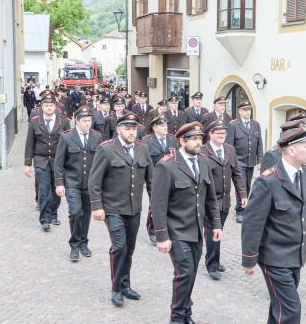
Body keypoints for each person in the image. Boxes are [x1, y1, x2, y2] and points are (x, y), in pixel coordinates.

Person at [241, 127, 306, 324]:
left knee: (280, 308)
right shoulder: (268, 180)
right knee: (291, 311)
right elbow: (252, 223)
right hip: (274, 258)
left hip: (295, 255)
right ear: (291, 150)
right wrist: (249, 259)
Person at [151, 122, 222, 324]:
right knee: (185, 272)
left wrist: (216, 224)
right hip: (176, 231)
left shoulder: (204, 162)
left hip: (197, 231)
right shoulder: (167, 166)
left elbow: (210, 198)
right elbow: (158, 205)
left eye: (200, 138)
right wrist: (162, 236)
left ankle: (185, 314)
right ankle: (177, 317)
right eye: (194, 139)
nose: (199, 142)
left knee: (189, 274)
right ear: (182, 141)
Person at [88, 112, 153, 307]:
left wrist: (158, 206)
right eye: (127, 128)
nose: (132, 132)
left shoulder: (143, 148)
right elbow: (94, 181)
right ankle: (116, 289)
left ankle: (125, 284)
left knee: (129, 249)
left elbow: (152, 180)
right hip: (113, 208)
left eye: (134, 128)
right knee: (119, 247)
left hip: (134, 209)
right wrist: (97, 207)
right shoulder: (106, 149)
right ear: (119, 129)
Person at [54, 106, 103, 261]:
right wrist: (59, 183)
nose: (88, 123)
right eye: (84, 121)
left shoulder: (97, 136)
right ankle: (74, 244)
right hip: (72, 183)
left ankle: (83, 242)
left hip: (90, 184)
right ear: (77, 121)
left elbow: (101, 162)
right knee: (76, 213)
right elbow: (58, 162)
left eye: (89, 120)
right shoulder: (66, 137)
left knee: (86, 215)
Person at [200, 119, 246, 280]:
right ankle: (212, 265)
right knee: (213, 230)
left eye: (224, 133)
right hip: (208, 201)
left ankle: (215, 260)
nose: (222, 135)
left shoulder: (229, 150)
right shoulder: (202, 151)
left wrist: (243, 194)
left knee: (218, 230)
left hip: (225, 200)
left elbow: (237, 173)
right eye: (218, 133)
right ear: (210, 134)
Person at [24, 94, 71, 230]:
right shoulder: (34, 121)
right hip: (41, 160)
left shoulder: (63, 121)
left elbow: (69, 142)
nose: (49, 108)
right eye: (46, 105)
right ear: (41, 107)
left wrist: (70, 162)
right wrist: (27, 164)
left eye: (51, 105)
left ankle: (54, 214)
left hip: (58, 160)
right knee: (44, 190)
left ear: (55, 107)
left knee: (57, 188)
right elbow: (29, 143)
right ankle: (45, 219)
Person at [142, 114, 178, 245]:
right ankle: (152, 230)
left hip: (172, 178)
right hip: (154, 179)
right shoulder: (147, 141)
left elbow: (177, 158)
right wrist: (145, 181)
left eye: (166, 124)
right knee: (155, 204)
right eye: (162, 125)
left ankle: (167, 229)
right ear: (154, 127)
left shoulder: (173, 139)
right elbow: (145, 161)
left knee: (170, 203)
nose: (165, 127)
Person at [226, 100, 263, 223]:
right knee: (240, 186)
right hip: (238, 162)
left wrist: (260, 159)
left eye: (249, 109)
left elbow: (259, 143)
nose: (247, 112)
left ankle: (245, 207)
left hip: (250, 161)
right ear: (240, 111)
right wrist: (231, 161)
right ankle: (240, 210)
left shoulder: (256, 124)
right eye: (245, 110)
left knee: (247, 185)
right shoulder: (233, 125)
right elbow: (229, 145)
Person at [261, 115, 306, 184]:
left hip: (304, 176)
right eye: (302, 126)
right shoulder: (273, 155)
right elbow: (266, 183)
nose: (305, 129)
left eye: (305, 126)